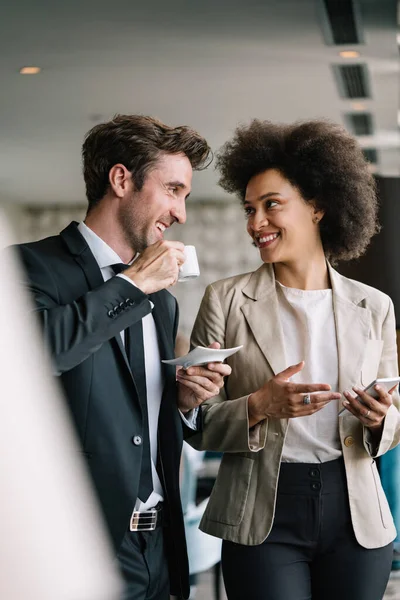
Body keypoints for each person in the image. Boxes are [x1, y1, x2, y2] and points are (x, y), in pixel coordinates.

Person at [13, 114, 231, 600]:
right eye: (173, 190)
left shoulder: (165, 302)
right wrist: (130, 285)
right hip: (78, 545)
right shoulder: (27, 265)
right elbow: (36, 357)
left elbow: (140, 413)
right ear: (120, 179)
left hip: (158, 546)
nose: (181, 213)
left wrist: (185, 400)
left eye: (185, 196)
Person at [184, 119, 400, 600]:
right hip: (261, 513)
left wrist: (379, 420)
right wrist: (259, 405)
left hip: (357, 517)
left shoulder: (375, 306)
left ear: (319, 207)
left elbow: (393, 424)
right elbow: (196, 424)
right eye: (249, 209)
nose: (255, 223)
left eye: (271, 205)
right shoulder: (225, 299)